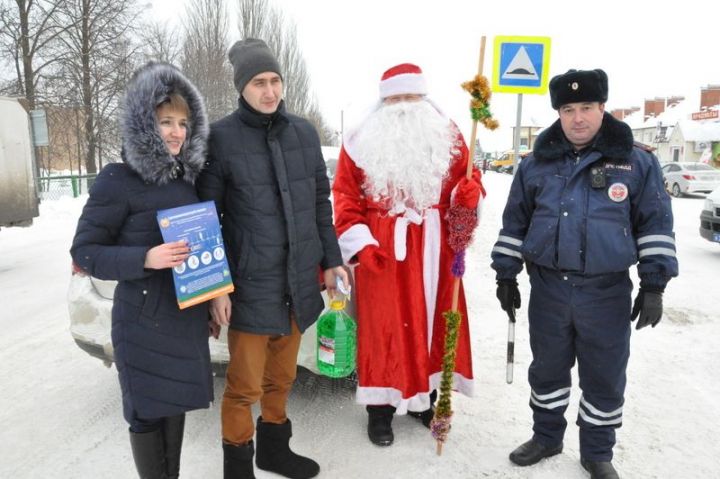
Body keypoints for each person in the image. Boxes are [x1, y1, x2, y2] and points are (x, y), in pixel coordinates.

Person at [491, 69, 678, 479]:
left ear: (602, 108)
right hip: (548, 289)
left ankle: (597, 452)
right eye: (568, 109)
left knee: (605, 374)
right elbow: (514, 224)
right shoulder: (535, 165)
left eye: (587, 108)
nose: (578, 118)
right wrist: (506, 274)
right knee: (547, 369)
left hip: (605, 291)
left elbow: (655, 225)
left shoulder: (636, 161)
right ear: (559, 113)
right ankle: (546, 436)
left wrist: (654, 285)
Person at [196, 38, 348, 479]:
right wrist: (216, 288)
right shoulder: (220, 138)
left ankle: (274, 451)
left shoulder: (303, 132)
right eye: (259, 82)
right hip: (249, 284)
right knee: (243, 387)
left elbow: (321, 201)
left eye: (275, 81)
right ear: (242, 87)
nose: (270, 91)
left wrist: (332, 259)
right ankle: (238, 465)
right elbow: (207, 219)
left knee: (282, 379)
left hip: (297, 280)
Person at [70, 62, 214, 478]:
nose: (176, 132)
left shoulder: (188, 181)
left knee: (176, 408)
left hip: (184, 318)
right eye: (165, 121)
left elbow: (202, 248)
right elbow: (85, 250)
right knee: (147, 413)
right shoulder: (117, 180)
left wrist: (212, 296)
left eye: (183, 123)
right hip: (141, 321)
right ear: (142, 123)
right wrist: (144, 258)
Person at [332, 63, 483, 446]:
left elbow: (465, 187)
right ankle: (379, 410)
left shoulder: (448, 135)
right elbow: (346, 197)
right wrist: (361, 244)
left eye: (410, 97)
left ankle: (422, 400)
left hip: (435, 245)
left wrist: (467, 198)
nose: (403, 105)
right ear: (383, 101)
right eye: (395, 98)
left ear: (423, 98)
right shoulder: (358, 141)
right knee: (384, 329)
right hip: (383, 245)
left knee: (432, 321)